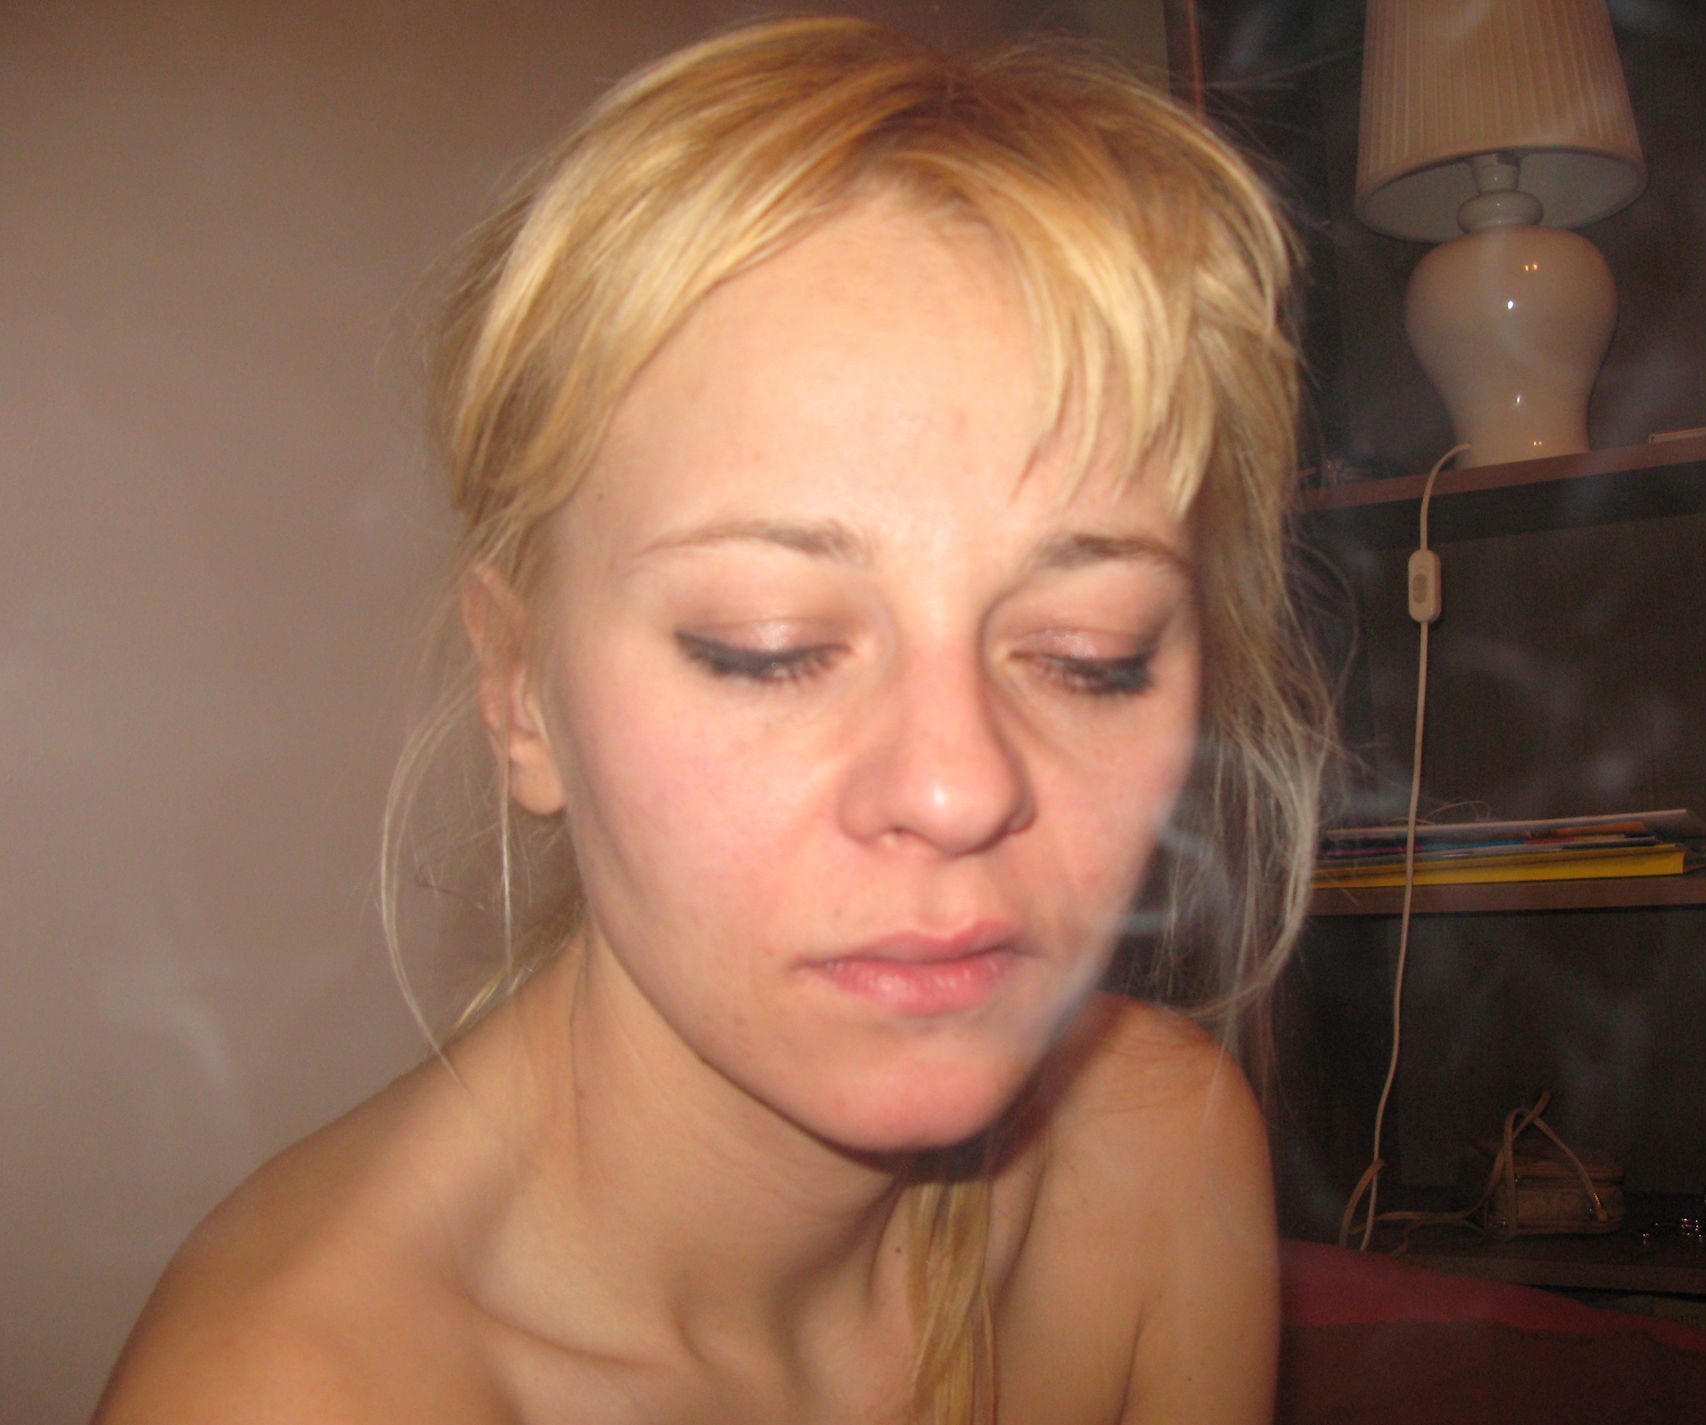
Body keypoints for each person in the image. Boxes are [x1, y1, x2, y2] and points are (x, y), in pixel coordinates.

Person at [92, 16, 1325, 1424]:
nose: (957, 785)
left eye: (1087, 654)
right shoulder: (294, 1393)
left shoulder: (1161, 1155)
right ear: (521, 689)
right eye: (768, 647)